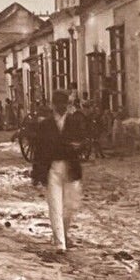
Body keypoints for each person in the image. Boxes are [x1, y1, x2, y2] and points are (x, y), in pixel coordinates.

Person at [30, 88, 90, 254]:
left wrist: (78, 147)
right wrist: (36, 174)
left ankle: (63, 233)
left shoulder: (74, 123)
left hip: (71, 167)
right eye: (59, 103)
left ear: (68, 104)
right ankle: (60, 244)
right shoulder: (45, 125)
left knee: (71, 205)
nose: (62, 106)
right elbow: (39, 151)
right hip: (52, 169)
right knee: (55, 205)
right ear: (53, 105)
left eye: (65, 103)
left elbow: (84, 141)